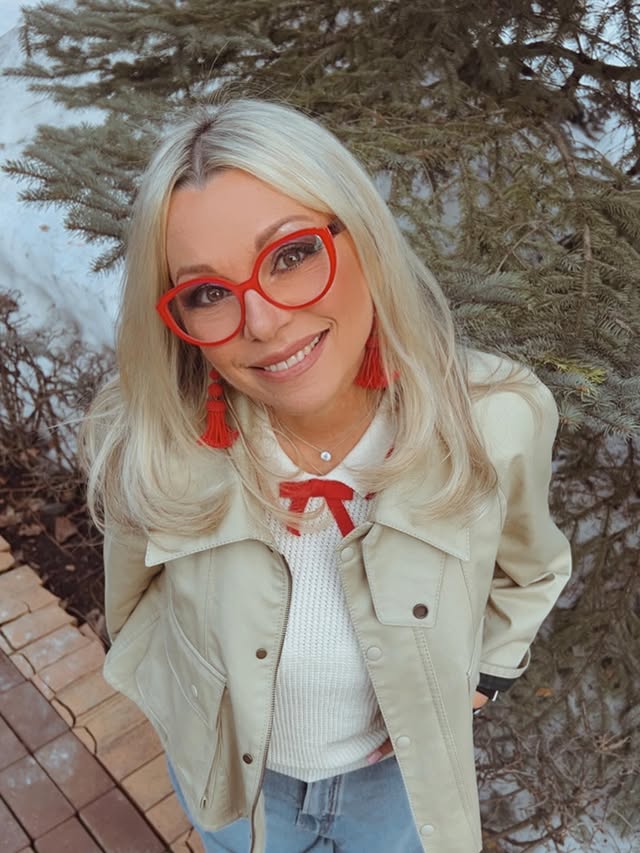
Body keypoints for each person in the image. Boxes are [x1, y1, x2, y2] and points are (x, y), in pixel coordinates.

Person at [80, 98, 572, 853]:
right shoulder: (152, 438)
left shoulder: (494, 419)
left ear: (363, 237)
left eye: (291, 255)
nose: (263, 322)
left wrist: (484, 679)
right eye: (207, 293)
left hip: (393, 784)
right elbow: (131, 602)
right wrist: (184, 701)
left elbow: (529, 568)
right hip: (236, 786)